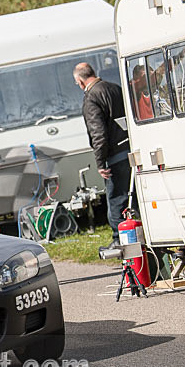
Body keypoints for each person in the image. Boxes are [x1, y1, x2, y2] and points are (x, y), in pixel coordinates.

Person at [73, 62, 132, 249]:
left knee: (116, 199)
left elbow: (98, 133)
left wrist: (100, 162)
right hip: (130, 148)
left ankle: (119, 240)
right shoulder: (115, 88)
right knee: (132, 197)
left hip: (114, 154)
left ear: (80, 81)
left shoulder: (91, 97)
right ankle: (138, 235)